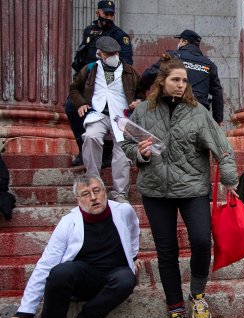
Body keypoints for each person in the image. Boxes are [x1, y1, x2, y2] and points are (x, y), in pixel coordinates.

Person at [121, 54, 239, 318]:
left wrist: (229, 179)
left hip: (192, 188)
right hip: (156, 190)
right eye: (176, 80)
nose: (181, 85)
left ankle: (197, 294)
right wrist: (140, 153)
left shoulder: (198, 111)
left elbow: (221, 146)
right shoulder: (142, 113)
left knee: (201, 241)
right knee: (167, 251)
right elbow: (126, 143)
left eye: (184, 81)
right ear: (162, 82)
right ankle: (175, 310)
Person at [3, 175, 140, 318]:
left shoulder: (123, 210)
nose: (94, 197)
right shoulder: (68, 222)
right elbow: (46, 264)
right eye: (86, 194)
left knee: (127, 278)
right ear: (78, 199)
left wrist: (133, 256)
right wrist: (24, 312)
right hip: (83, 279)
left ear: (104, 192)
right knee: (61, 271)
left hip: (114, 275)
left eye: (97, 191)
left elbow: (133, 231)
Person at [69, 37, 144, 204]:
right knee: (91, 137)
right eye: (109, 53)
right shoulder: (89, 69)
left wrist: (137, 101)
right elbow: (74, 88)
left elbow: (141, 93)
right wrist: (81, 103)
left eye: (115, 53)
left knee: (123, 150)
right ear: (100, 54)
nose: (113, 56)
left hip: (122, 116)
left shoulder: (130, 71)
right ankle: (94, 184)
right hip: (98, 114)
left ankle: (120, 193)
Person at [67, 0, 133, 167]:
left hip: (110, 83)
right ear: (98, 13)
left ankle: (107, 152)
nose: (109, 17)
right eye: (106, 13)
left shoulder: (120, 36)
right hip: (88, 80)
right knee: (71, 106)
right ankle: (84, 149)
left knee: (107, 111)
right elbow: (82, 59)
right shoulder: (90, 31)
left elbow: (126, 64)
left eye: (111, 14)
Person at [140, 29, 225, 123]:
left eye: (179, 40)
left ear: (185, 41)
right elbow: (217, 93)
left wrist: (140, 92)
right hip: (199, 113)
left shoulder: (172, 56)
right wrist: (218, 119)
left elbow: (150, 74)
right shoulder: (209, 64)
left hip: (173, 109)